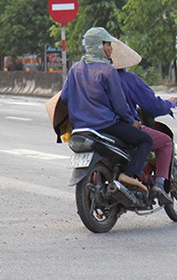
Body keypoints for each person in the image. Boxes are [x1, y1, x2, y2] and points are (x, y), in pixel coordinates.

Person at [60, 27, 153, 196]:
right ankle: (129, 174)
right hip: (105, 125)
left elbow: (65, 97)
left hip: (80, 127)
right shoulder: (107, 70)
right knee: (145, 140)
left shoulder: (75, 69)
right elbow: (119, 104)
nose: (110, 49)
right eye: (108, 44)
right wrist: (131, 120)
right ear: (98, 46)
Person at [110, 40, 177, 205]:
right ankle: (160, 185)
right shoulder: (128, 79)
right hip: (123, 126)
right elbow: (152, 104)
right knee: (165, 142)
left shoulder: (96, 78)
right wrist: (171, 103)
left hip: (99, 127)